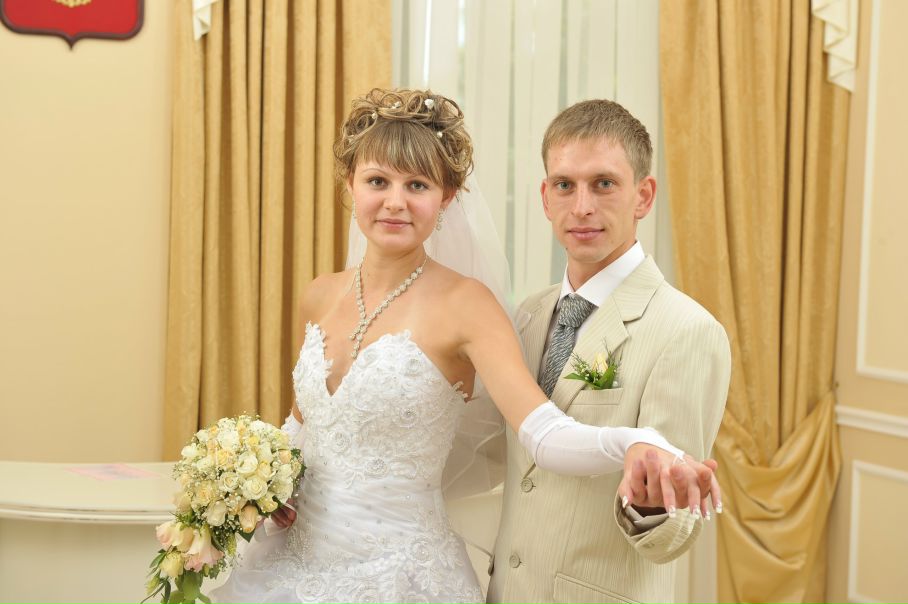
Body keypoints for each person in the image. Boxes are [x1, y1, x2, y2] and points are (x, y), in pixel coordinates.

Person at [210, 88, 719, 604]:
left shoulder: (473, 306)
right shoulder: (326, 294)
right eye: (378, 181)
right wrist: (257, 482)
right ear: (351, 184)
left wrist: (635, 442)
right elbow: (304, 425)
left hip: (404, 576)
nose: (395, 201)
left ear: (446, 197)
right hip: (298, 559)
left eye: (417, 184)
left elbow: (543, 434)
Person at [486, 99, 732, 604]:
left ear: (643, 196)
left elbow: (675, 534)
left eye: (603, 183)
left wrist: (651, 502)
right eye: (565, 185)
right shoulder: (527, 315)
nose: (581, 207)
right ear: (545, 197)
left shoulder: (688, 331)